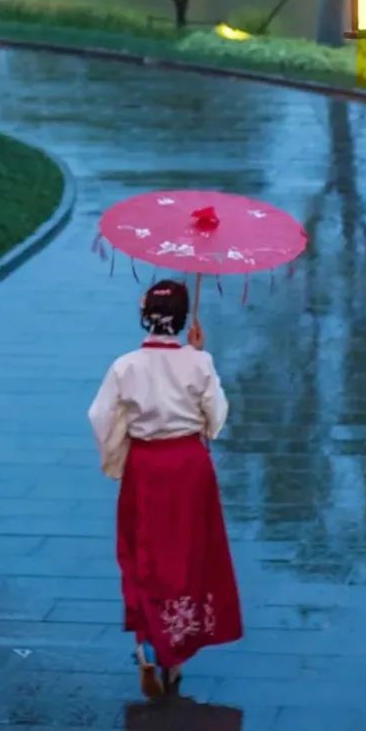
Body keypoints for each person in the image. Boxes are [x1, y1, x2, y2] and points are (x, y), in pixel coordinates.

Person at [89, 279, 242, 697]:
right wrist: (197, 353)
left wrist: (117, 455)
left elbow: (101, 417)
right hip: (189, 468)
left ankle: (148, 642)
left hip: (147, 465)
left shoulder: (125, 366)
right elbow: (217, 416)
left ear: (145, 315)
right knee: (189, 554)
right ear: (182, 318)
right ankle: (175, 653)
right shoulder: (200, 362)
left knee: (144, 553)